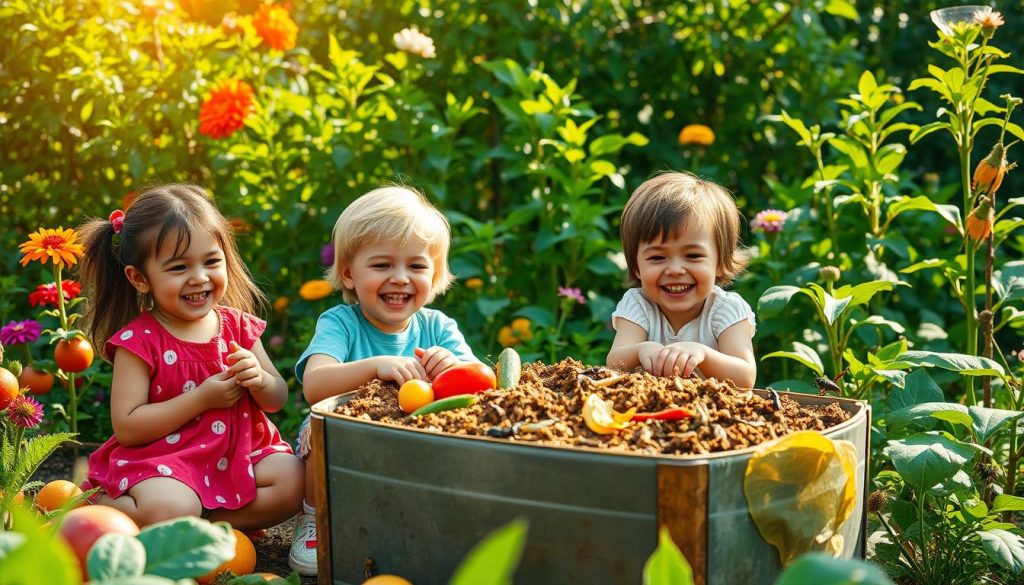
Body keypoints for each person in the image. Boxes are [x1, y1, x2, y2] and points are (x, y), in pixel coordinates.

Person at [77, 184, 304, 532]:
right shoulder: (140, 342)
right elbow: (128, 426)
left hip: (235, 453)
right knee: (174, 505)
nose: (199, 277)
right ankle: (101, 505)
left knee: (293, 481)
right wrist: (201, 398)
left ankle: (205, 528)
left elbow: (277, 399)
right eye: (179, 267)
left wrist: (259, 379)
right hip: (163, 461)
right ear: (139, 279)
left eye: (211, 261)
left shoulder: (237, 327)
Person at [289, 185, 478, 575]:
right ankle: (314, 517)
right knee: (317, 427)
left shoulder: (438, 327)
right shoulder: (341, 324)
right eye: (382, 266)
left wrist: (451, 365)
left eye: (416, 266)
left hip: (414, 440)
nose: (400, 278)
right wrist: (375, 366)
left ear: (436, 274)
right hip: (350, 439)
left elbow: (485, 384)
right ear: (348, 274)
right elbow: (315, 384)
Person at [606, 172, 757, 388]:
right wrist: (641, 350)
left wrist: (702, 353)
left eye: (693, 256)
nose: (675, 270)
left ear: (720, 262)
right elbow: (614, 364)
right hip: (647, 413)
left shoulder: (725, 309)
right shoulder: (639, 304)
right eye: (657, 257)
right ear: (637, 266)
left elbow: (745, 378)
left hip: (713, 415)